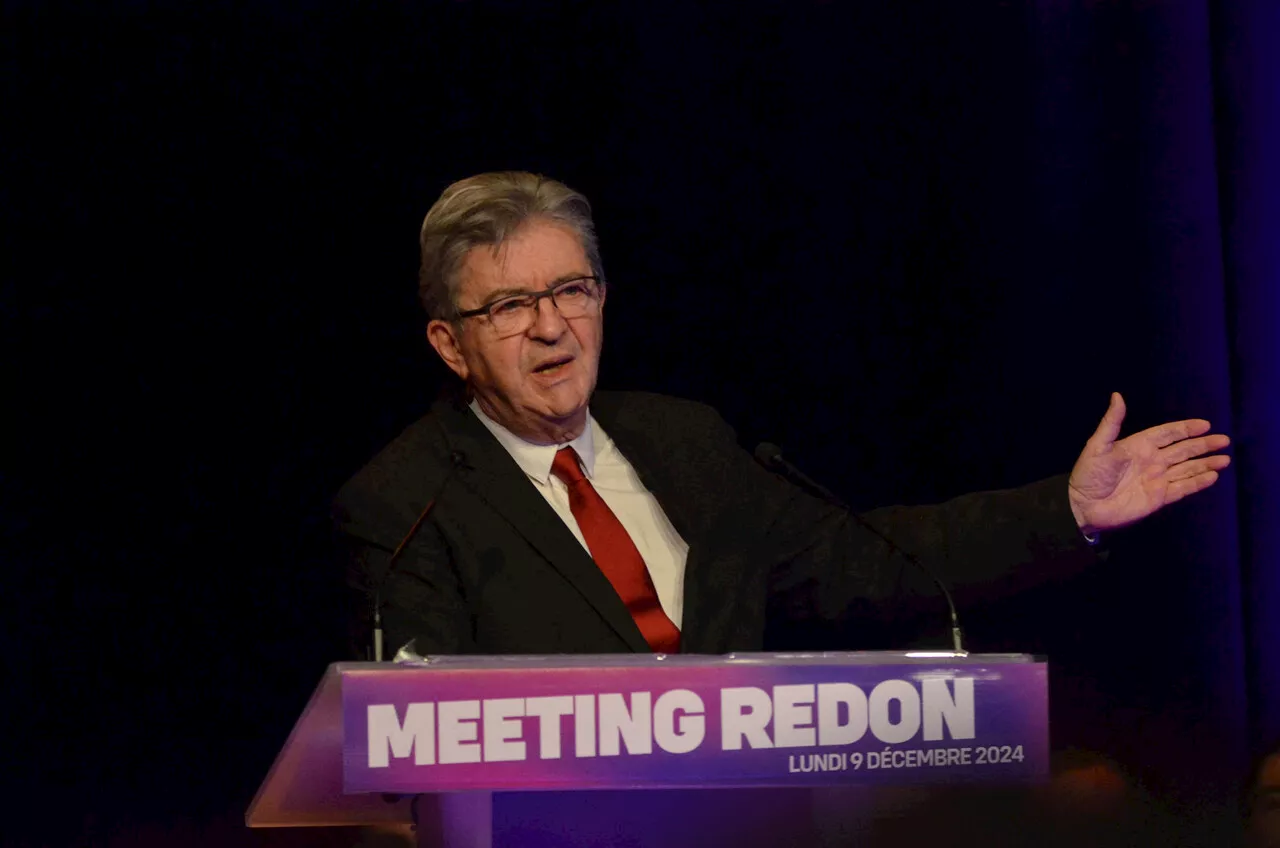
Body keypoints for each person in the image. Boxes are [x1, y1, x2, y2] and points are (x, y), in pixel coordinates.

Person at [333, 171, 1231, 659]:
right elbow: (417, 731)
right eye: (509, 306)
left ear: (603, 296)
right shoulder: (406, 503)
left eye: (572, 289)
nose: (550, 326)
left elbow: (870, 563)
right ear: (451, 346)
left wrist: (1065, 511)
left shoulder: (685, 443)